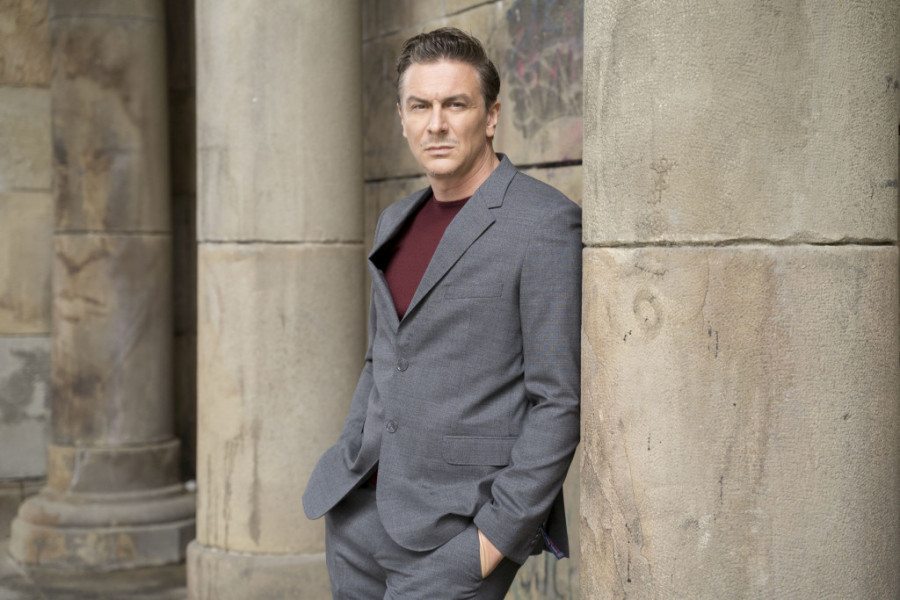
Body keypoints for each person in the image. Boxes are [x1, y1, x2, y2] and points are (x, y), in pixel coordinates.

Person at [303, 27, 581, 599]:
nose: (436, 124)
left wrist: (494, 539)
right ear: (402, 119)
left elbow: (558, 401)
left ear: (491, 115)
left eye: (455, 104)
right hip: (358, 518)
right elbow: (383, 357)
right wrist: (350, 454)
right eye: (420, 106)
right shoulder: (395, 220)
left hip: (456, 535)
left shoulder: (544, 224)